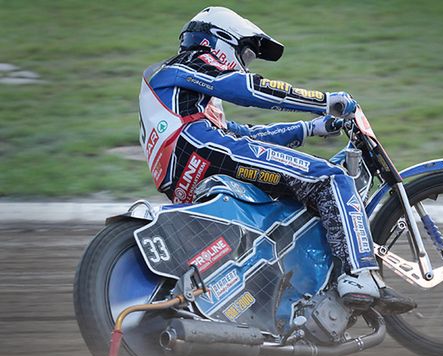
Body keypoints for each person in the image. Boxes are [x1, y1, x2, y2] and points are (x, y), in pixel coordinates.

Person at [138, 6, 415, 314]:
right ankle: (358, 275)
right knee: (329, 178)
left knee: (291, 203)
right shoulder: (189, 63)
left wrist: (310, 128)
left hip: (189, 172)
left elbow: (244, 135)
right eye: (245, 55)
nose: (245, 65)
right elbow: (249, 90)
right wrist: (324, 102)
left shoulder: (189, 97)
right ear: (219, 40)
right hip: (200, 151)